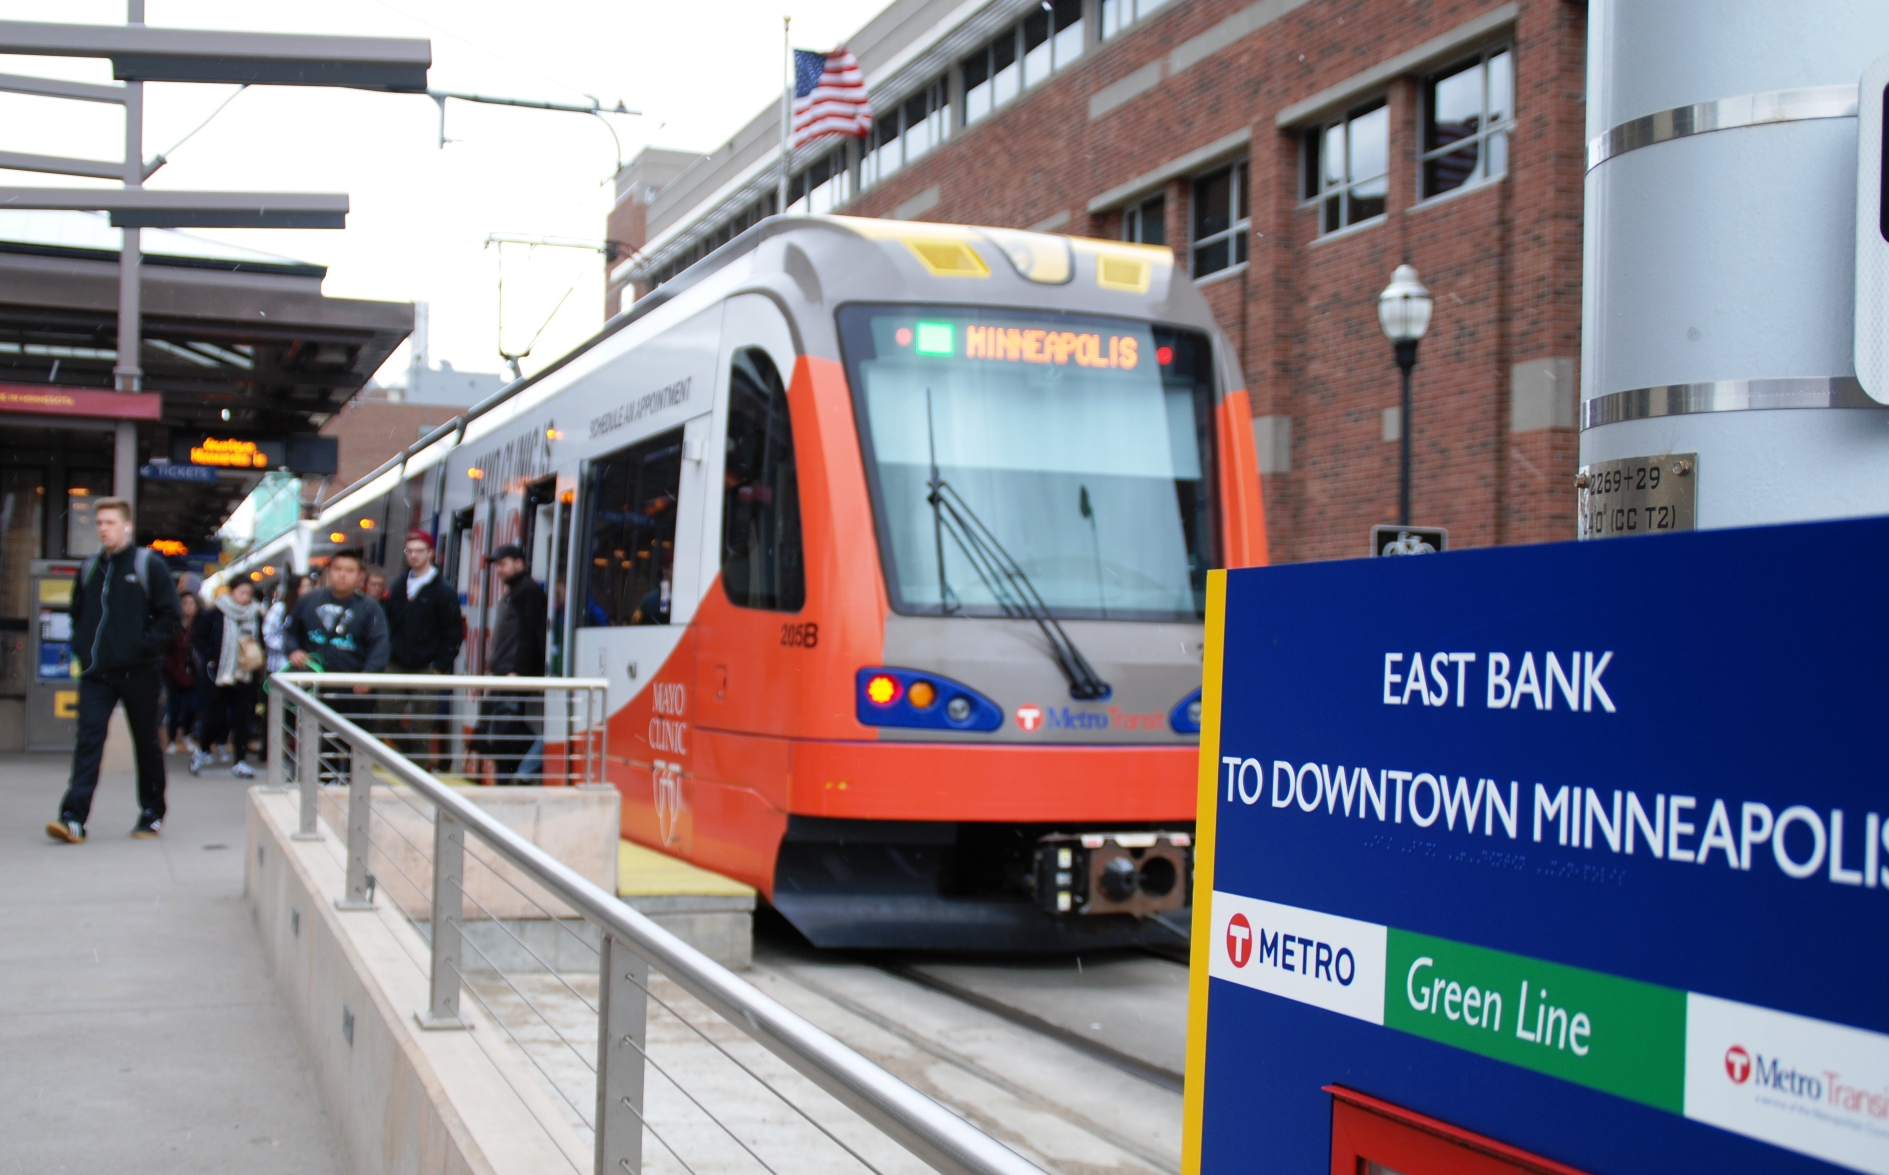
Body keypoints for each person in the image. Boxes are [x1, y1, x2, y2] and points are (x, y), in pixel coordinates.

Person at [47, 497, 182, 843]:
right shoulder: (90, 567)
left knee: (146, 742)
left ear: (127, 525)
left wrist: (142, 648)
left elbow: (170, 616)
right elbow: (78, 613)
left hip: (140, 672)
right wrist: (81, 647)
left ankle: (152, 812)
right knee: (88, 741)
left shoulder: (147, 564)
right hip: (97, 673)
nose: (103, 529)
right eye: (99, 523)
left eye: (110, 522)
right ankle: (73, 818)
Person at [283, 549, 389, 780]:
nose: (342, 575)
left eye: (349, 570)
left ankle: (352, 792)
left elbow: (380, 646)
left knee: (354, 749)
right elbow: (290, 633)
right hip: (314, 691)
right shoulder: (308, 601)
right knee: (316, 746)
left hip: (353, 695)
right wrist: (294, 650)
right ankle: (315, 789)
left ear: (360, 577)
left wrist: (368, 676)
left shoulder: (371, 609)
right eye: (337, 569)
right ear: (329, 572)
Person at [382, 530, 462, 772]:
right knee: (383, 718)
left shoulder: (444, 591)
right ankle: (414, 756)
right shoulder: (397, 585)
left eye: (419, 551)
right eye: (410, 551)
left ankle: (416, 773)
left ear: (431, 553)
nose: (414, 556)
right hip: (396, 663)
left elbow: (453, 631)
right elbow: (388, 622)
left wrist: (440, 666)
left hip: (427, 667)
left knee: (423, 726)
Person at [482, 544, 545, 782]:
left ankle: (514, 778)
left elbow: (528, 634)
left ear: (519, 563)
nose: (499, 570)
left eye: (503, 564)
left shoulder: (526, 592)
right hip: (507, 673)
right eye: (497, 565)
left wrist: (519, 670)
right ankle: (514, 777)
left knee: (506, 732)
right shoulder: (518, 591)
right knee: (504, 730)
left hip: (512, 675)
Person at [191, 579, 262, 778]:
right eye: (242, 592)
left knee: (242, 719)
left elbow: (262, 640)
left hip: (245, 674)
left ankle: (239, 761)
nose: (246, 597)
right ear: (232, 592)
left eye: (249, 593)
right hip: (219, 675)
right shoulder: (215, 613)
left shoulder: (256, 614)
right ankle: (203, 749)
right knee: (216, 719)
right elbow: (198, 637)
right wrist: (211, 658)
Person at [161, 591, 203, 754]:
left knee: (193, 707)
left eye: (191, 603)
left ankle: (187, 733)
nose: (188, 607)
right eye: (185, 603)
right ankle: (171, 738)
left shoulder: (200, 626)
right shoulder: (172, 626)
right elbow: (166, 652)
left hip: (195, 673)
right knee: (174, 707)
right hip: (174, 675)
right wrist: (172, 670)